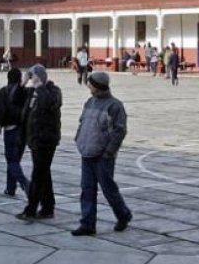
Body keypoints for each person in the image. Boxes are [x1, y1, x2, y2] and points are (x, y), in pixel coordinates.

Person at [70, 71, 133, 236]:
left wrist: (109, 151)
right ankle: (87, 224)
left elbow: (120, 131)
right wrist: (79, 139)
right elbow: (82, 123)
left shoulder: (114, 106)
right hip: (87, 153)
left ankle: (123, 215)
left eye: (90, 83)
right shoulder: (89, 102)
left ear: (97, 85)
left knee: (108, 189)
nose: (88, 85)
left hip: (103, 156)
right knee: (87, 189)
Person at [16, 64, 61, 222]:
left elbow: (49, 103)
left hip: (46, 140)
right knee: (44, 173)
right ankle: (48, 207)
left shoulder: (53, 91)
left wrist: (39, 86)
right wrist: (23, 82)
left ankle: (31, 209)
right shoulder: (31, 92)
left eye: (34, 76)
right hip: (34, 139)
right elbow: (14, 98)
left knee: (38, 175)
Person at [0, 67, 30, 197]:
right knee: (14, 160)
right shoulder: (26, 92)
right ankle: (10, 188)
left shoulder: (3, 91)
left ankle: (25, 183)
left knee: (11, 161)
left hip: (10, 130)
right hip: (23, 131)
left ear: (8, 78)